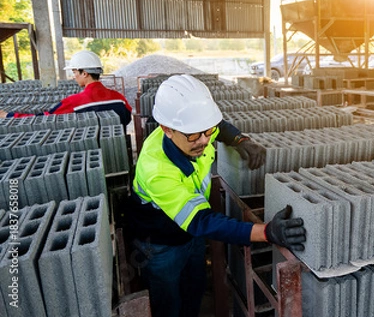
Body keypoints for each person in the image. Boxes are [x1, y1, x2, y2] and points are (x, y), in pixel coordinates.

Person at [126, 74, 306, 317]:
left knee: (195, 288)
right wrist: (266, 232)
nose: (204, 141)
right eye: (193, 135)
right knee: (168, 302)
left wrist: (240, 140)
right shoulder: (156, 170)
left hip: (192, 236)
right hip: (160, 244)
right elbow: (202, 221)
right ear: (166, 129)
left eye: (207, 131)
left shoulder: (196, 131)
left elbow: (217, 127)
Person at [0, 50, 133, 128]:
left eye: (75, 72)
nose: (73, 76)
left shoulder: (73, 102)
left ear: (84, 73)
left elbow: (43, 120)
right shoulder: (119, 97)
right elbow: (127, 118)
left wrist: (8, 116)